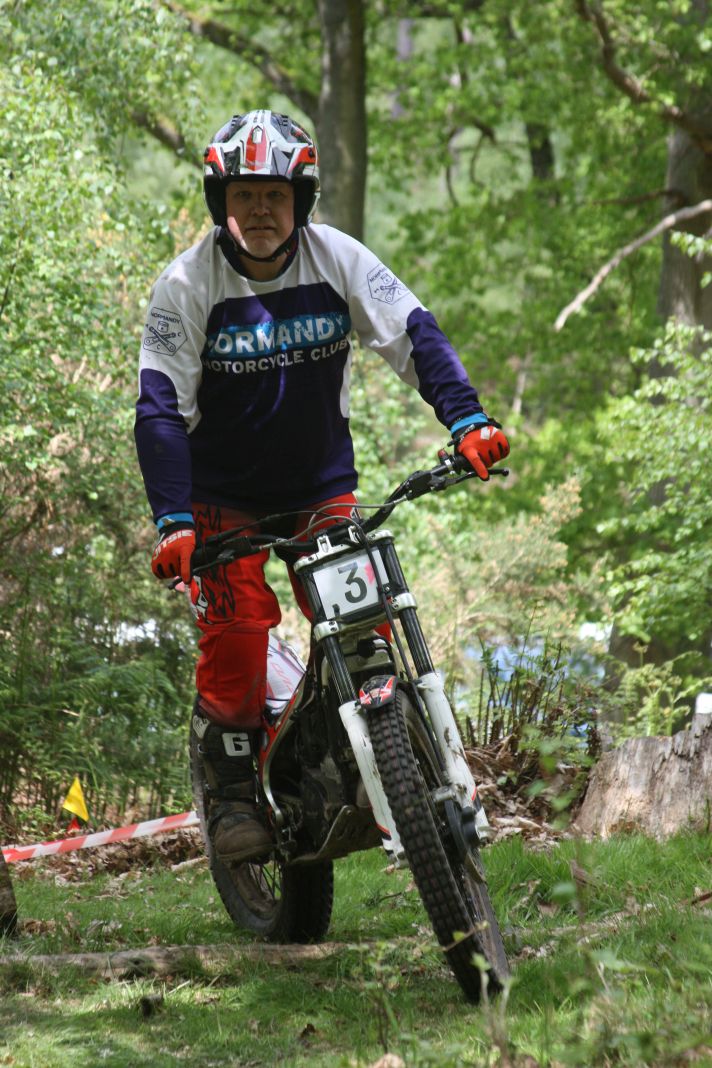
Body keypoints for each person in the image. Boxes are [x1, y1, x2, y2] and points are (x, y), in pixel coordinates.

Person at [134, 109, 509, 864]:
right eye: (244, 195)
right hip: (220, 502)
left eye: (275, 195)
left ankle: (376, 766)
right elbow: (160, 410)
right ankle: (232, 794)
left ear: (300, 199)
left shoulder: (337, 258)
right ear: (220, 201)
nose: (260, 211)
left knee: (364, 620)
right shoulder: (185, 284)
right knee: (238, 636)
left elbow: (413, 334)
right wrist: (173, 518)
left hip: (319, 490)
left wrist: (467, 419)